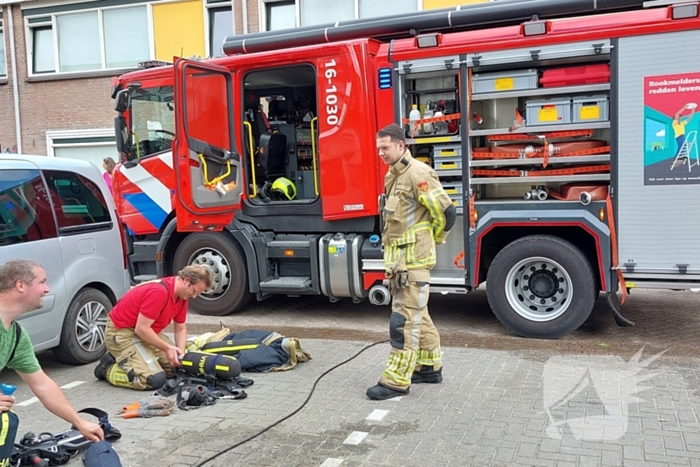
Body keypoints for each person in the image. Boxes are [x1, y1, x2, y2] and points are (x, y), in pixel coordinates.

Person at [367, 123, 457, 401]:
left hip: (412, 262)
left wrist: (433, 240)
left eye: (385, 147)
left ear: (401, 145)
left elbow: (446, 213)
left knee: (403, 321)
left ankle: (396, 380)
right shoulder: (394, 175)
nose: (380, 152)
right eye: (378, 148)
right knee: (419, 314)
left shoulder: (417, 173)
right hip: (400, 264)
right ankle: (429, 366)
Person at [0, 259, 104, 463]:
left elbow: (43, 385)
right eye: (42, 282)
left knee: (7, 419)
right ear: (21, 285)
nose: (47, 289)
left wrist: (80, 423)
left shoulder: (16, 336)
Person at [93, 266, 212, 391]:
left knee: (176, 370)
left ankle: (135, 360)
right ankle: (109, 369)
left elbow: (180, 329)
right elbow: (141, 329)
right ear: (186, 280)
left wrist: (180, 355)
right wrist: (167, 348)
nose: (194, 296)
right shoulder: (159, 292)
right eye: (195, 291)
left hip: (146, 332)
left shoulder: (182, 296)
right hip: (123, 332)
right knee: (153, 379)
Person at [671, 103, 696, 168]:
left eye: (680, 117)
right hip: (679, 137)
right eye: (679, 117)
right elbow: (676, 114)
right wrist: (684, 107)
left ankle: (681, 158)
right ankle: (676, 158)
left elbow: (689, 118)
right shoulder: (674, 124)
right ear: (676, 119)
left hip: (683, 136)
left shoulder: (681, 124)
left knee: (684, 147)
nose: (680, 118)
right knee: (681, 147)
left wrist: (692, 110)